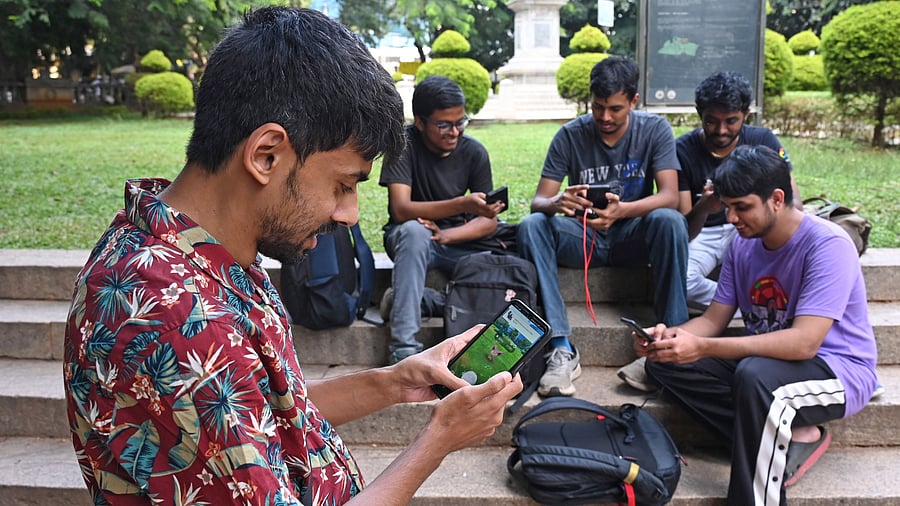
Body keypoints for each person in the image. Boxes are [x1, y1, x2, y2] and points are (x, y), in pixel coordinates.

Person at [62, 8, 522, 506]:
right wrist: (439, 440)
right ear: (266, 155)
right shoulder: (178, 320)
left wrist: (395, 380)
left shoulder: (198, 249)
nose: (349, 215)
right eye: (343, 185)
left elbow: (265, 415)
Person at [637, 145, 877, 505]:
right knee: (666, 365)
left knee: (756, 377)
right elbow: (713, 320)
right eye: (728, 207)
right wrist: (671, 339)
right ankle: (788, 434)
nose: (732, 218)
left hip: (839, 372)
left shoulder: (827, 245)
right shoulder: (742, 246)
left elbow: (804, 344)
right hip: (770, 366)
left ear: (777, 199)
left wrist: (703, 347)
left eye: (742, 207)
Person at [517, 56, 689, 397]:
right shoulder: (570, 135)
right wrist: (558, 203)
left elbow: (670, 196)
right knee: (532, 225)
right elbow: (540, 200)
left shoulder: (654, 129)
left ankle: (670, 341)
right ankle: (561, 347)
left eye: (615, 109)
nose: (605, 117)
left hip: (631, 236)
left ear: (634, 102)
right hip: (584, 238)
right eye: (598, 107)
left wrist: (623, 212)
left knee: (669, 221)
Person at [617, 71, 798, 392]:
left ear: (746, 115)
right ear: (700, 116)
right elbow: (683, 229)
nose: (722, 130)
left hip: (756, 228)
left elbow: (789, 199)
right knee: (681, 278)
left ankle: (756, 305)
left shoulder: (764, 141)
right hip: (708, 232)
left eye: (731, 121)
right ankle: (755, 306)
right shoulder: (684, 150)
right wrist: (708, 205)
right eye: (712, 121)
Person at [379, 75, 506, 364]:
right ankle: (404, 348)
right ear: (420, 122)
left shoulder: (474, 152)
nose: (454, 132)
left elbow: (488, 222)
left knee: (508, 261)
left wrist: (447, 235)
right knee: (413, 231)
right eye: (444, 124)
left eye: (460, 122)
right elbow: (400, 209)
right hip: (410, 240)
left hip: (455, 241)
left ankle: (418, 301)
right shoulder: (402, 145)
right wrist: (461, 204)